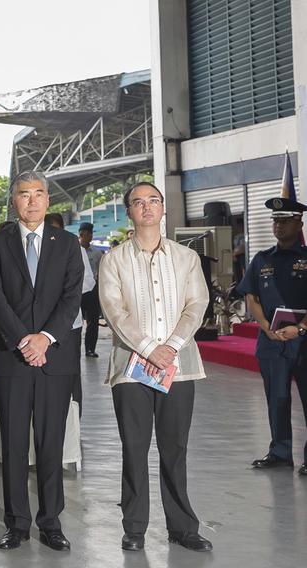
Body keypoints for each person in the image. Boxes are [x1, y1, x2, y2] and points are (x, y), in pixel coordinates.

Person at [98, 181, 213, 552]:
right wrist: (150, 348)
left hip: (179, 366)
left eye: (153, 201)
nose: (146, 207)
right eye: (138, 202)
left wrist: (172, 346)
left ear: (163, 208)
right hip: (131, 367)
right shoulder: (113, 259)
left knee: (174, 448)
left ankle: (182, 526)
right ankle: (134, 527)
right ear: (129, 211)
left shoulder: (186, 258)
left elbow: (197, 304)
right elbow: (114, 311)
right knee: (134, 447)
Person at [0, 171, 83, 552]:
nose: (32, 201)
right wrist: (25, 340)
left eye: (39, 194)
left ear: (48, 200)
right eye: (24, 194)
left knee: (50, 442)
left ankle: (51, 521)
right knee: (13, 443)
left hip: (55, 357)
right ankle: (17, 522)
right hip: (12, 358)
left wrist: (46, 338)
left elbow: (71, 297)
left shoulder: (68, 244)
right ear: (14, 201)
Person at [237, 197, 307, 475]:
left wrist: (300, 328)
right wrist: (265, 325)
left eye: (285, 220)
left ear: (298, 223)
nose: (278, 225)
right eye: (275, 220)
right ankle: (280, 452)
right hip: (272, 341)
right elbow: (251, 295)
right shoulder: (261, 259)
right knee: (277, 398)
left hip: (303, 340)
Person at [45, 213, 95, 415]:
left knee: (71, 374)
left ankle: (74, 419)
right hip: (37, 325)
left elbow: (88, 281)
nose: (53, 235)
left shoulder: (74, 247)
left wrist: (59, 291)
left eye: (57, 230)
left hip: (69, 324)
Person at [79, 222, 104, 357]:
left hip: (93, 290)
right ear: (81, 234)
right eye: (87, 234)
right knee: (75, 321)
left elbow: (102, 270)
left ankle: (90, 349)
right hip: (77, 290)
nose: (90, 236)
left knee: (93, 321)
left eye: (91, 234)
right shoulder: (74, 249)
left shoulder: (97, 253)